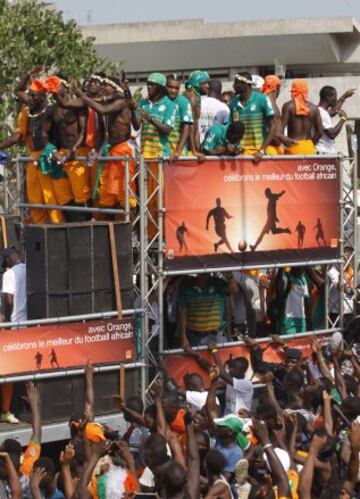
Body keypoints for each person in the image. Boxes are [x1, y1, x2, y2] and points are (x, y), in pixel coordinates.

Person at [73, 76, 136, 215]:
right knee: (106, 195)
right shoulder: (107, 104)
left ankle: (129, 232)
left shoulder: (121, 102)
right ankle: (108, 232)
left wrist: (81, 95)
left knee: (124, 193)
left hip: (122, 151)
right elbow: (101, 130)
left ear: (114, 89)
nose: (103, 87)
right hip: (109, 152)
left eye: (106, 85)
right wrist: (95, 149)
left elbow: (102, 110)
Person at [1, 247, 27, 424]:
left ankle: (5, 410)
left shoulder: (9, 274)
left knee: (9, 371)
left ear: (7, 261)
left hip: (15, 327)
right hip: (30, 326)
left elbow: (9, 300)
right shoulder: (29, 269)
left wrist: (8, 320)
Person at [178, 273, 238, 348]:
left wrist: (230, 276)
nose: (204, 275)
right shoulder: (186, 286)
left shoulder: (218, 283)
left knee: (221, 357)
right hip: (195, 336)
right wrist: (183, 336)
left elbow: (234, 290)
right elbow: (183, 310)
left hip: (217, 334)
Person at [229, 71, 276, 163]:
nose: (233, 85)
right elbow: (231, 128)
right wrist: (231, 145)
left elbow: (273, 126)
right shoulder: (233, 103)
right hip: (240, 154)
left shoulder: (262, 99)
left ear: (245, 84)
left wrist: (262, 150)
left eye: (236, 83)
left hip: (258, 154)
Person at [208, 340, 254, 415]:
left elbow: (222, 373)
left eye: (234, 368)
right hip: (227, 418)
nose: (231, 369)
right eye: (231, 366)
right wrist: (197, 356)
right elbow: (210, 367)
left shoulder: (246, 383)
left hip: (240, 420)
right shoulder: (232, 375)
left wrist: (214, 350)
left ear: (242, 371)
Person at [282, 79, 323, 155]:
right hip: (309, 147)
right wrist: (311, 143)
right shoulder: (314, 108)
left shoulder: (288, 106)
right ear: (306, 90)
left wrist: (285, 140)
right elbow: (320, 132)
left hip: (293, 146)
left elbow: (281, 129)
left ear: (293, 90)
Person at [262, 74, 296, 154]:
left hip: (275, 149)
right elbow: (260, 127)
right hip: (269, 149)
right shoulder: (266, 102)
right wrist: (280, 136)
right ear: (277, 87)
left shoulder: (270, 101)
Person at [316, 85, 355, 154]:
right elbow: (332, 134)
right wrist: (343, 119)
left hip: (324, 152)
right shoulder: (321, 113)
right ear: (328, 98)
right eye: (335, 97)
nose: (336, 100)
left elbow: (333, 111)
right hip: (323, 153)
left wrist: (344, 96)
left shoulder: (321, 111)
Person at [166, 74, 194, 163]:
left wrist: (178, 151)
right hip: (162, 151)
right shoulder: (161, 100)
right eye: (170, 87)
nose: (173, 90)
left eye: (176, 88)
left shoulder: (183, 102)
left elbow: (187, 127)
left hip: (178, 154)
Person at [184, 70, 210, 153]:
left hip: (190, 146)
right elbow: (190, 128)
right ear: (196, 83)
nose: (208, 86)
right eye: (204, 83)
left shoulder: (196, 97)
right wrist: (195, 151)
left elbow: (196, 128)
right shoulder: (191, 98)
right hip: (186, 149)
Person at [199, 79, 230, 143]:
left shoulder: (199, 103)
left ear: (208, 89)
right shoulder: (224, 108)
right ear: (220, 91)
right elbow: (225, 131)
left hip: (198, 144)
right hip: (214, 147)